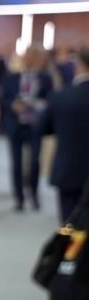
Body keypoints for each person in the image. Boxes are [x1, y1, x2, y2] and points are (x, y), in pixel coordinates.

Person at [1, 47, 55, 212]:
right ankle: (19, 198)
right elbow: (4, 98)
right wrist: (13, 105)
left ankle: (34, 194)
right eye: (28, 56)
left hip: (34, 125)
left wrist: (35, 104)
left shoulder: (45, 78)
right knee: (16, 163)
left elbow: (50, 99)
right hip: (15, 124)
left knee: (34, 162)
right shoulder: (11, 77)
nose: (30, 60)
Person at [39, 47, 89, 221]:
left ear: (78, 65)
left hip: (70, 169)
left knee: (70, 226)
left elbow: (43, 128)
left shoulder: (61, 97)